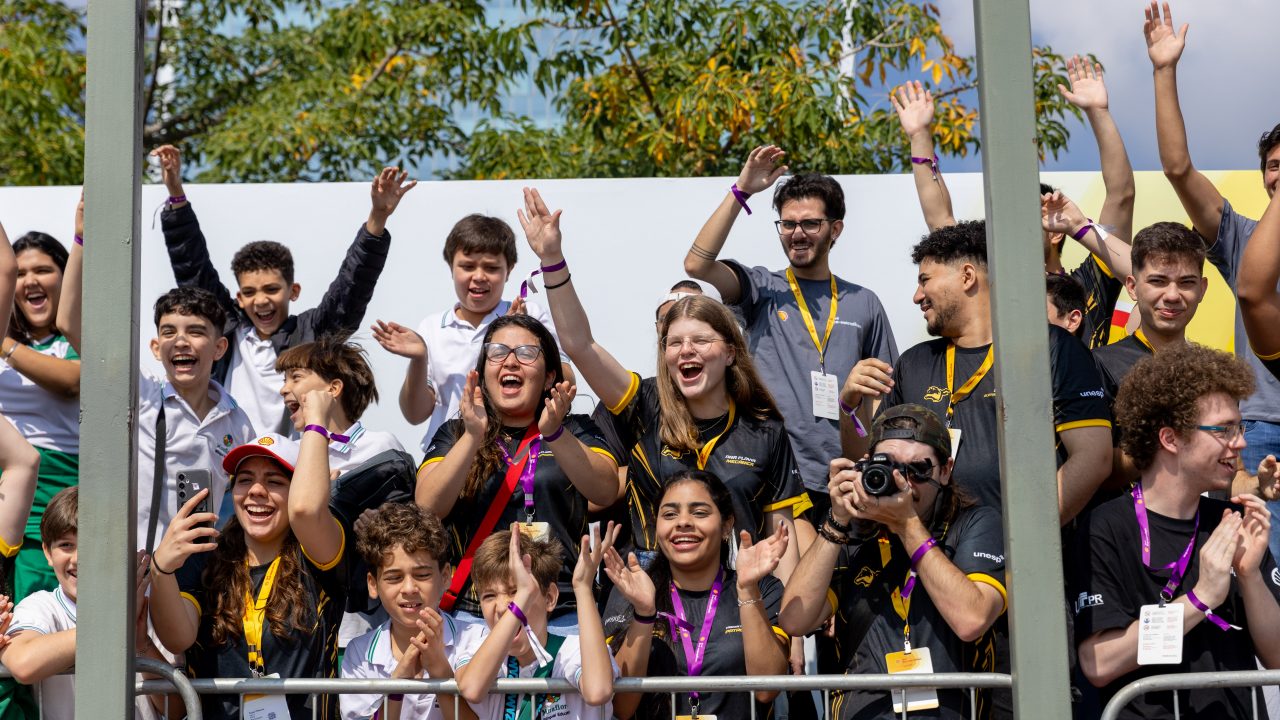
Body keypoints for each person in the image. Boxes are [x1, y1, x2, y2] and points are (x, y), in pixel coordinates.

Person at [517, 187, 812, 574]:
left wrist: (784, 629)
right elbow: (580, 344)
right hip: (647, 596)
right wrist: (552, 259)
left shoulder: (764, 431)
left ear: (730, 351)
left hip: (732, 606)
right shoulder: (646, 402)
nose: (686, 350)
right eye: (675, 342)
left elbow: (782, 544)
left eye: (701, 340)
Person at [840, 220, 1112, 524]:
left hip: (1022, 562)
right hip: (926, 555)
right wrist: (849, 408)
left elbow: (1094, 458)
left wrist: (1028, 542)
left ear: (967, 276)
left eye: (925, 280)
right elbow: (865, 460)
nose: (917, 296)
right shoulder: (913, 362)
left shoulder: (1051, 347)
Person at [683, 149, 897, 517]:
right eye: (787, 224)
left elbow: (884, 401)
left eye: (810, 223)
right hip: (773, 475)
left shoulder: (865, 302)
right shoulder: (763, 288)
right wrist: (742, 191)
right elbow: (696, 263)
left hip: (844, 477)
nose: (797, 233)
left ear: (835, 228)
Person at [1072, 343, 1280, 718]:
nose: (1241, 442)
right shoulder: (1107, 526)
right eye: (1224, 430)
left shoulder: (1233, 521)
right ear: (1170, 439)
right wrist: (1200, 600)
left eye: (1241, 426)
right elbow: (1098, 663)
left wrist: (1249, 577)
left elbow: (1277, 656)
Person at [152, 145, 414, 435]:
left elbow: (352, 285)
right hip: (231, 464)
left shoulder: (311, 333)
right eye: (249, 292)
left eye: (272, 289)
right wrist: (175, 192)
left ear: (294, 291)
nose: (261, 300)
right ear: (239, 298)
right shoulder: (225, 330)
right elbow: (192, 265)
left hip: (293, 466)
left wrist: (377, 218)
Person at [1144, 1, 1280, 555]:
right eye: (1275, 165)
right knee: (1263, 580)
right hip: (1263, 429)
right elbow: (1177, 168)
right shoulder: (1242, 235)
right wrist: (1164, 69)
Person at [780, 405, 1006, 719]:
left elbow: (972, 619)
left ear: (945, 469)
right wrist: (836, 521)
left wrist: (907, 525)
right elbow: (794, 620)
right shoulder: (852, 535)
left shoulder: (973, 524)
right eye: (888, 466)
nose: (902, 480)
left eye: (918, 469)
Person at [893, 66, 1136, 349]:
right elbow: (941, 220)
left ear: (1056, 232)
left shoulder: (1089, 284)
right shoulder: (992, 285)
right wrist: (919, 135)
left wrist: (1098, 112)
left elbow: (1121, 195)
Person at [416, 314, 619, 626]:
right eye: (498, 352)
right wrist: (473, 436)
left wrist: (554, 434)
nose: (510, 362)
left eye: (526, 353)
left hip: (560, 609)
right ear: (483, 372)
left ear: (550, 377)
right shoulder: (456, 432)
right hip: (476, 613)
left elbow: (605, 489)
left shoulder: (575, 428)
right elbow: (427, 507)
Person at [57, 237, 257, 552]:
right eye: (169, 332)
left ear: (219, 348)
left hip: (199, 579)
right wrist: (83, 237)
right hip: (136, 574)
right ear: (155, 347)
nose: (180, 341)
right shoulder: (140, 393)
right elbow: (68, 321)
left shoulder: (238, 422)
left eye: (195, 331)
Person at [148, 412, 349, 720]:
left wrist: (318, 416)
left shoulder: (317, 556)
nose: (256, 491)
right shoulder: (205, 559)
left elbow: (308, 510)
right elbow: (178, 638)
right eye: (245, 480)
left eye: (274, 481)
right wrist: (161, 569)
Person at [601, 470, 790, 719]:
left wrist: (746, 589)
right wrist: (644, 615)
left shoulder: (762, 587)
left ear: (726, 525)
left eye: (699, 512)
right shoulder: (632, 592)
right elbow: (621, 707)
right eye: (669, 514)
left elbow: (767, 690)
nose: (683, 522)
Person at [373, 213, 564, 453]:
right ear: (451, 267)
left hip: (519, 450)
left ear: (510, 269)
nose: (479, 276)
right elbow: (415, 414)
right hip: (449, 451)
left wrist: (516, 333)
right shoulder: (432, 328)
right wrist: (419, 358)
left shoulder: (531, 315)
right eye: (467, 266)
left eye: (492, 268)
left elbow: (564, 381)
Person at [0, 488, 163, 719]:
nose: (78, 558)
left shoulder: (143, 604)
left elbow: (175, 708)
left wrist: (142, 643)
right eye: (66, 545)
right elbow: (24, 664)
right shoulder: (41, 606)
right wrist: (115, 624)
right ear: (47, 552)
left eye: (91, 544)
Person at [452, 524, 618, 720]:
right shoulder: (477, 648)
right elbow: (471, 689)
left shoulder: (574, 650)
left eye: (515, 591)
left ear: (549, 598)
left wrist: (582, 587)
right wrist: (522, 598)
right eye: (489, 596)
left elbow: (598, 691)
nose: (502, 606)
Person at [1094, 222, 1208, 488]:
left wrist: (1256, 483)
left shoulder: (1214, 372)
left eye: (1186, 283)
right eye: (1158, 281)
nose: (1172, 295)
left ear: (1202, 289)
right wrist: (1170, 431)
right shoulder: (1100, 364)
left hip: (1207, 526)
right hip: (1128, 525)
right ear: (1132, 287)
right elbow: (1099, 469)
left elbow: (1230, 476)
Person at [341, 502, 475, 720]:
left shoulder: (475, 638)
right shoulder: (359, 654)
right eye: (394, 578)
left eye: (422, 575)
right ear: (373, 584)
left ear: (445, 577)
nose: (409, 589)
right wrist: (397, 685)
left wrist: (439, 670)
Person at [0, 216, 71, 602]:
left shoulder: (76, 340)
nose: (30, 281)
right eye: (22, 273)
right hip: (9, 510)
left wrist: (6, 346)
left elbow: (73, 381)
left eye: (43, 269)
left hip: (59, 513)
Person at [277, 336, 405, 475]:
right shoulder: (288, 454)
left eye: (296, 377)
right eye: (285, 380)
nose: (283, 390)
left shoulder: (379, 445)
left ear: (333, 389)